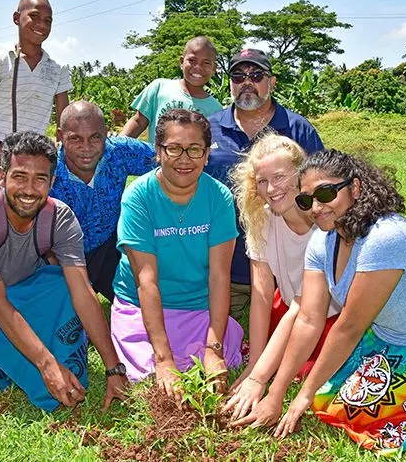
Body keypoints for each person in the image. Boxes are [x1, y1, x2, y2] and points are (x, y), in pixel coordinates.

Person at [231, 149, 406, 454]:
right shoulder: (322, 242)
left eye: (326, 193)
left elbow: (348, 328)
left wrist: (301, 399)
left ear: (356, 188)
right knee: (324, 397)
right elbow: (308, 319)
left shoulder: (386, 238)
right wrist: (276, 392)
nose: (317, 207)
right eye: (307, 200)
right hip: (390, 338)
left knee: (347, 411)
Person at [0, 131, 128, 411]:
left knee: (67, 289)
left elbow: (83, 292)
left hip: (26, 291)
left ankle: (8, 357)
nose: (29, 189)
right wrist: (46, 364)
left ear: (52, 182)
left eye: (40, 179)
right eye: (19, 176)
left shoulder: (61, 218)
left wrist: (113, 368)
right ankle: (15, 361)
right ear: (2, 177)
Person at [110, 109, 243, 401]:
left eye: (195, 149)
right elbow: (147, 282)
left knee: (224, 353)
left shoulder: (219, 197)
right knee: (147, 374)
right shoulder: (138, 197)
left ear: (207, 155)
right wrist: (163, 359)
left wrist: (213, 347)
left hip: (198, 307)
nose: (185, 159)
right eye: (174, 148)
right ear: (158, 152)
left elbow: (220, 277)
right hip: (142, 306)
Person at [223, 134, 341, 418]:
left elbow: (305, 308)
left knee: (315, 372)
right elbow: (262, 293)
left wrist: (259, 378)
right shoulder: (261, 217)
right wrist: (255, 364)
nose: (271, 188)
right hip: (289, 309)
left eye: (279, 177)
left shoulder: (323, 225)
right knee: (270, 349)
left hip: (328, 316)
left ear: (301, 177)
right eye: (262, 181)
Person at [204, 48, 324, 318]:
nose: (247, 82)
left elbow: (319, 190)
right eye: (238, 75)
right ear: (230, 83)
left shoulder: (298, 129)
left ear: (271, 82)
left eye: (256, 75)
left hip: (287, 267)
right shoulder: (208, 128)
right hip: (225, 268)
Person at [50, 100, 155, 302]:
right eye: (76, 139)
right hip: (60, 256)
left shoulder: (120, 152)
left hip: (110, 247)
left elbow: (169, 159)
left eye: (95, 137)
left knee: (144, 303)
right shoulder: (46, 167)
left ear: (106, 133)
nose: (86, 148)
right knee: (60, 322)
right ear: (61, 136)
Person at [0, 0, 72, 179]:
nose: (42, 24)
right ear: (16, 18)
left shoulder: (58, 68)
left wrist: (60, 146)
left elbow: (63, 120)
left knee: (30, 204)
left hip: (35, 152)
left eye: (48, 21)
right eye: (34, 16)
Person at [119, 36, 223, 144]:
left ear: (214, 68)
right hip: (155, 160)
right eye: (192, 60)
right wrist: (116, 146)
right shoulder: (159, 87)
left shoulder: (217, 110)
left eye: (206, 63)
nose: (198, 67)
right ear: (181, 62)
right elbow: (138, 121)